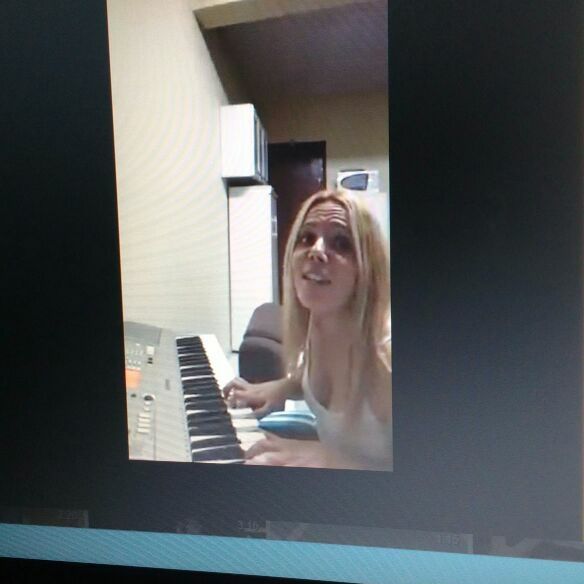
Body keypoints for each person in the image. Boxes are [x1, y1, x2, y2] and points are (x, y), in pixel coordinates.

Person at [223, 189, 392, 470]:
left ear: (367, 269)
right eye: (307, 237)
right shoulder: (320, 321)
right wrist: (279, 388)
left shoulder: (386, 357)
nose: (316, 250)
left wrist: (326, 457)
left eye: (341, 243)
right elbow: (310, 375)